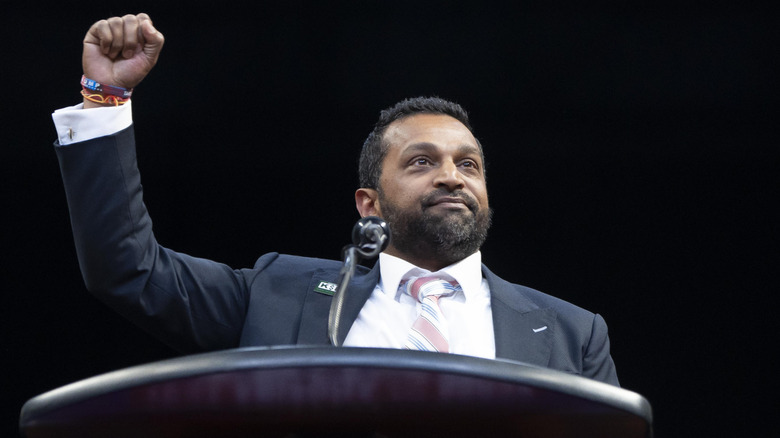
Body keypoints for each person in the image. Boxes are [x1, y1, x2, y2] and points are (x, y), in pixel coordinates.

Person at [52, 13, 619, 386]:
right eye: (421, 161)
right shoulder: (276, 295)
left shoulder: (572, 334)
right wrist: (105, 98)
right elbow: (127, 268)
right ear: (367, 204)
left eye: (468, 164)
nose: (452, 176)